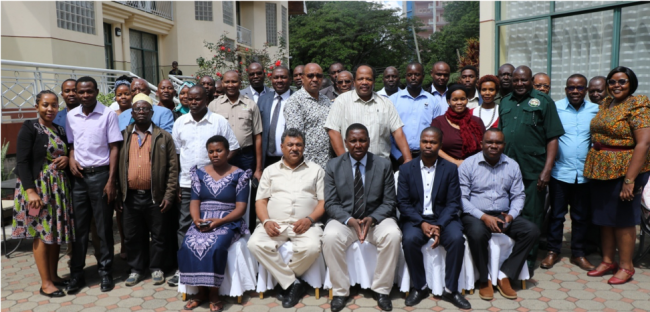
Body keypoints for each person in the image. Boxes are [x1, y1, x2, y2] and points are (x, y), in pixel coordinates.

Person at [322, 123, 402, 312]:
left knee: (393, 234)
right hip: (345, 221)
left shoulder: (383, 164)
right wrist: (349, 220)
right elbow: (331, 203)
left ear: (369, 141)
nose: (358, 145)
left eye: (362, 140)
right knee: (330, 236)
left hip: (376, 220)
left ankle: (382, 290)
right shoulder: (333, 165)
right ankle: (341, 291)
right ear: (346, 143)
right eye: (353, 141)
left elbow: (390, 202)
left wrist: (372, 218)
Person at [583, 67, 650, 284]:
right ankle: (608, 260)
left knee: (623, 219)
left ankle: (626, 266)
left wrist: (629, 180)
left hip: (625, 170)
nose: (616, 86)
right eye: (612, 82)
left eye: (622, 81)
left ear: (631, 83)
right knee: (604, 218)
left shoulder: (637, 104)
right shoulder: (606, 103)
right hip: (601, 169)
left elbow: (644, 143)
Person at [168, 85, 240, 287]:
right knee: (185, 224)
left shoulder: (218, 121)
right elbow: (175, 154)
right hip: (187, 183)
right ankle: (184, 268)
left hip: (215, 184)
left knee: (213, 223)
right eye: (190, 99)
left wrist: (217, 169)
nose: (193, 102)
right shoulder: (180, 122)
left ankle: (209, 265)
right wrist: (176, 183)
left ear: (206, 100)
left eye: (197, 99)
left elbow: (232, 147)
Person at [497, 65, 564, 272]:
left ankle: (528, 258)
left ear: (531, 81)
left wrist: (547, 169)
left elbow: (552, 137)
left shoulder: (544, 102)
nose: (519, 84)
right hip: (506, 169)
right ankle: (507, 253)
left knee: (531, 214)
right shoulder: (505, 101)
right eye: (515, 80)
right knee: (506, 212)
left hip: (533, 169)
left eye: (523, 80)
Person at [248, 129, 325, 308]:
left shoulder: (316, 170)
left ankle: (286, 282)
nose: (294, 148)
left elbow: (323, 202)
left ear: (304, 147)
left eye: (298, 145)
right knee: (254, 244)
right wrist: (266, 222)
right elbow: (260, 201)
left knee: (313, 247)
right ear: (282, 147)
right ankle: (293, 283)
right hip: (275, 224)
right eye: (290, 145)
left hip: (306, 224)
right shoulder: (270, 171)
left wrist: (310, 219)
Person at [459, 129, 540, 300]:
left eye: (498, 143)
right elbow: (462, 199)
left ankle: (504, 274)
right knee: (476, 233)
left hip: (503, 214)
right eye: (489, 142)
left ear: (504, 145)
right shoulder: (468, 164)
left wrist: (511, 215)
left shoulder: (512, 165)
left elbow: (518, 195)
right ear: (482, 144)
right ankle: (484, 279)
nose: (493, 146)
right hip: (476, 214)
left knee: (532, 231)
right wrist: (484, 217)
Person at [397, 127, 471, 309]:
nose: (428, 145)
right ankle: (420, 287)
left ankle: (451, 290)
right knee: (409, 240)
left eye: (433, 142)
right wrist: (421, 223)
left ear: (440, 145)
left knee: (456, 239)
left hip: (443, 218)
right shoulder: (406, 169)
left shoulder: (450, 169)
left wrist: (439, 225)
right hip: (416, 219)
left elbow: (454, 203)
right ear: (420, 143)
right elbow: (403, 203)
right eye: (425, 141)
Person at [178, 135, 252, 312]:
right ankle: (200, 292)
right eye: (211, 152)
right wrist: (196, 220)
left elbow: (241, 208)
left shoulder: (240, 174)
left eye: (219, 150)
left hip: (229, 220)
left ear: (227, 152)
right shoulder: (199, 173)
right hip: (202, 219)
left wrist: (220, 221)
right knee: (188, 243)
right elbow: (194, 201)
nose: (215, 154)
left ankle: (213, 293)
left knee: (216, 245)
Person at [13, 90, 75, 298]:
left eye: (54, 105)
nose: (50, 109)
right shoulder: (30, 128)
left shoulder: (59, 128)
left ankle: (54, 276)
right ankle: (45, 283)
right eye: (45, 105)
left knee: (55, 233)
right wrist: (30, 191)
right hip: (38, 189)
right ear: (37, 106)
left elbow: (65, 152)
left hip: (58, 188)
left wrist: (66, 159)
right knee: (42, 232)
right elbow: (21, 161)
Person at [65, 76, 123, 293]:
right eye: (81, 92)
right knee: (78, 228)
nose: (85, 95)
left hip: (100, 176)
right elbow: (72, 145)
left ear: (97, 91)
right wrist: (71, 158)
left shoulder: (107, 114)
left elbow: (114, 148)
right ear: (77, 94)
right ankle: (76, 274)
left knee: (103, 227)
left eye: (89, 91)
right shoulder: (71, 116)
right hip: (78, 178)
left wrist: (111, 181)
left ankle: (106, 272)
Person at [117, 95, 178, 287]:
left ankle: (156, 268)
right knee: (133, 235)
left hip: (155, 197)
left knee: (159, 235)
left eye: (145, 109)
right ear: (132, 113)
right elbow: (117, 166)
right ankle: (136, 269)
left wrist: (169, 194)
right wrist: (119, 194)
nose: (141, 112)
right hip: (130, 196)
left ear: (152, 112)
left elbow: (172, 168)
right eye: (137, 109)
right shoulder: (123, 135)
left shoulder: (164, 136)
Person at [540, 74, 598, 271]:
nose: (575, 91)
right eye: (571, 87)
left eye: (580, 87)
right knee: (556, 215)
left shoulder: (594, 110)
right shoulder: (555, 108)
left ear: (586, 90)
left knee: (581, 216)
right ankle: (552, 251)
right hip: (560, 172)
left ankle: (578, 253)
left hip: (584, 174)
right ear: (565, 90)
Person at [325, 65, 412, 163]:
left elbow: (397, 132)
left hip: (380, 165)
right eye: (360, 79)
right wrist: (345, 162)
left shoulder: (386, 103)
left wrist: (408, 158)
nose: (364, 82)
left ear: (374, 81)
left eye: (368, 79)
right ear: (354, 81)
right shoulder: (341, 101)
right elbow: (333, 132)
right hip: (351, 165)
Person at [208, 70, 262, 180]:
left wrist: (258, 168)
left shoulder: (251, 105)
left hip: (245, 156)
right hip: (222, 157)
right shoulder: (214, 106)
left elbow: (257, 137)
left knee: (245, 190)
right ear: (222, 83)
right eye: (227, 82)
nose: (230, 85)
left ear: (240, 83)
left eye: (234, 82)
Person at [390, 63, 444, 168]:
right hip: (398, 158)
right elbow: (388, 133)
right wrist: (400, 156)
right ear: (405, 77)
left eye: (417, 74)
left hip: (426, 157)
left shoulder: (433, 101)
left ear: (423, 76)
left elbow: (438, 132)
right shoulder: (393, 100)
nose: (413, 77)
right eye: (410, 75)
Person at [283, 63, 332, 169]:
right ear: (302, 78)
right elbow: (295, 138)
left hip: (328, 165)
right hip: (307, 166)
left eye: (318, 76)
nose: (315, 79)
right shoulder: (295, 102)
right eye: (310, 76)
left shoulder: (326, 100)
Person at [431, 84, 486, 166]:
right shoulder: (438, 122)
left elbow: (484, 145)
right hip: (446, 167)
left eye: (463, 99)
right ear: (448, 101)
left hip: (474, 167)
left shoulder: (477, 121)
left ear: (467, 100)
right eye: (455, 100)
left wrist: (470, 163)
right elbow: (434, 146)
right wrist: (455, 162)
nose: (459, 102)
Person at [258, 66, 294, 168]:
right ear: (271, 80)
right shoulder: (263, 100)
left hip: (291, 158)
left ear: (290, 80)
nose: (279, 80)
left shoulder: (297, 99)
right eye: (276, 77)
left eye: (283, 77)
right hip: (267, 160)